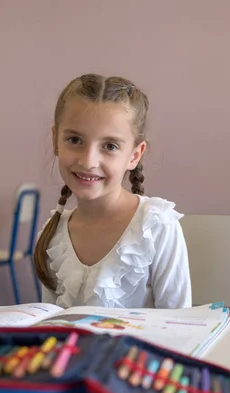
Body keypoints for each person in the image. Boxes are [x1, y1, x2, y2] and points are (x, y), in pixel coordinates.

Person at [34, 73, 192, 309]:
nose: (88, 161)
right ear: (56, 140)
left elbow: (179, 326)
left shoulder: (157, 225)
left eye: (110, 146)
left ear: (134, 155)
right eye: (75, 140)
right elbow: (52, 323)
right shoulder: (52, 234)